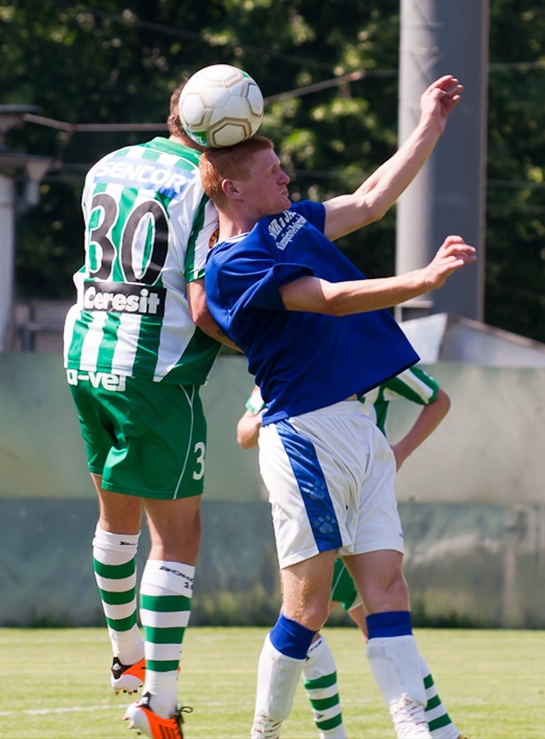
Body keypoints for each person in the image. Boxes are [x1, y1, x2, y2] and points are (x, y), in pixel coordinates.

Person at [199, 74, 477, 739]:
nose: (286, 178)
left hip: (355, 425)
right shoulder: (230, 263)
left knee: (388, 591)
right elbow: (325, 296)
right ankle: (263, 730)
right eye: (272, 172)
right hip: (301, 434)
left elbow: (371, 199)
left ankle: (420, 730)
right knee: (310, 606)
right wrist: (421, 280)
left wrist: (429, 124)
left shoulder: (290, 222)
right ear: (233, 187)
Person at [63, 78, 237, 739]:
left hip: (85, 354)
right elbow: (201, 300)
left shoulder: (106, 164)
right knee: (177, 536)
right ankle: (161, 709)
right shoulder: (203, 182)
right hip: (152, 370)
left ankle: (127, 657)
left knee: (117, 518)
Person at [237, 368, 465, 739]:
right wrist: (285, 401)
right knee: (310, 617)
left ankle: (433, 730)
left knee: (383, 614)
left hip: (362, 497)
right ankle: (313, 732)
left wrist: (398, 454)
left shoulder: (376, 358)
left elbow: (437, 399)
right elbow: (243, 433)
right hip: (312, 489)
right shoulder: (289, 358)